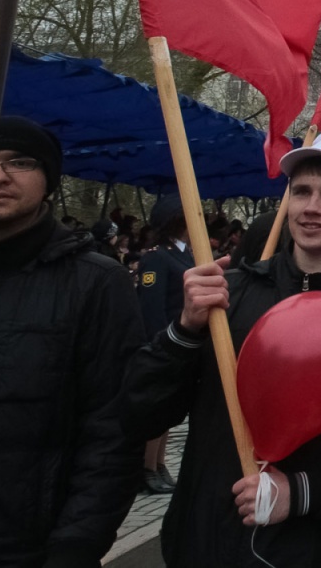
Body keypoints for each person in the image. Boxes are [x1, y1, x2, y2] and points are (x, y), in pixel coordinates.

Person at [121, 127, 321, 567]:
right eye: (300, 191)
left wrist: (302, 491)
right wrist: (184, 331)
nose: (312, 207)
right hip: (202, 540)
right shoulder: (226, 297)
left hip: (311, 548)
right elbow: (140, 410)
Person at [0, 116, 145, 568]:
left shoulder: (96, 282)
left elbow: (113, 433)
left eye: (19, 162)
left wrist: (76, 547)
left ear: (47, 179)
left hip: (26, 549)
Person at [137, 193, 195, 496]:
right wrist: (161, 348)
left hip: (182, 345)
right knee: (157, 413)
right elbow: (152, 307)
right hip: (164, 345)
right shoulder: (156, 257)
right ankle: (147, 468)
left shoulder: (184, 253)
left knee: (170, 413)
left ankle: (159, 465)